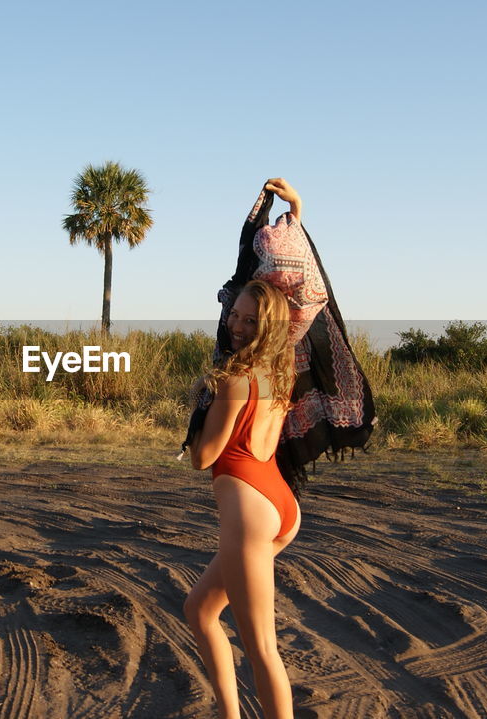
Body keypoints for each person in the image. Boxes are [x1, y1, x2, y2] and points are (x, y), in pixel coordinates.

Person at [185, 276, 301, 719]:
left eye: (250, 320)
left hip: (250, 513)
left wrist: (199, 402)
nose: (237, 325)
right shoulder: (279, 373)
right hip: (277, 502)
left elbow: (203, 457)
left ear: (267, 326)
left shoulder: (235, 380)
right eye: (234, 314)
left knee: (261, 650)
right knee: (199, 610)